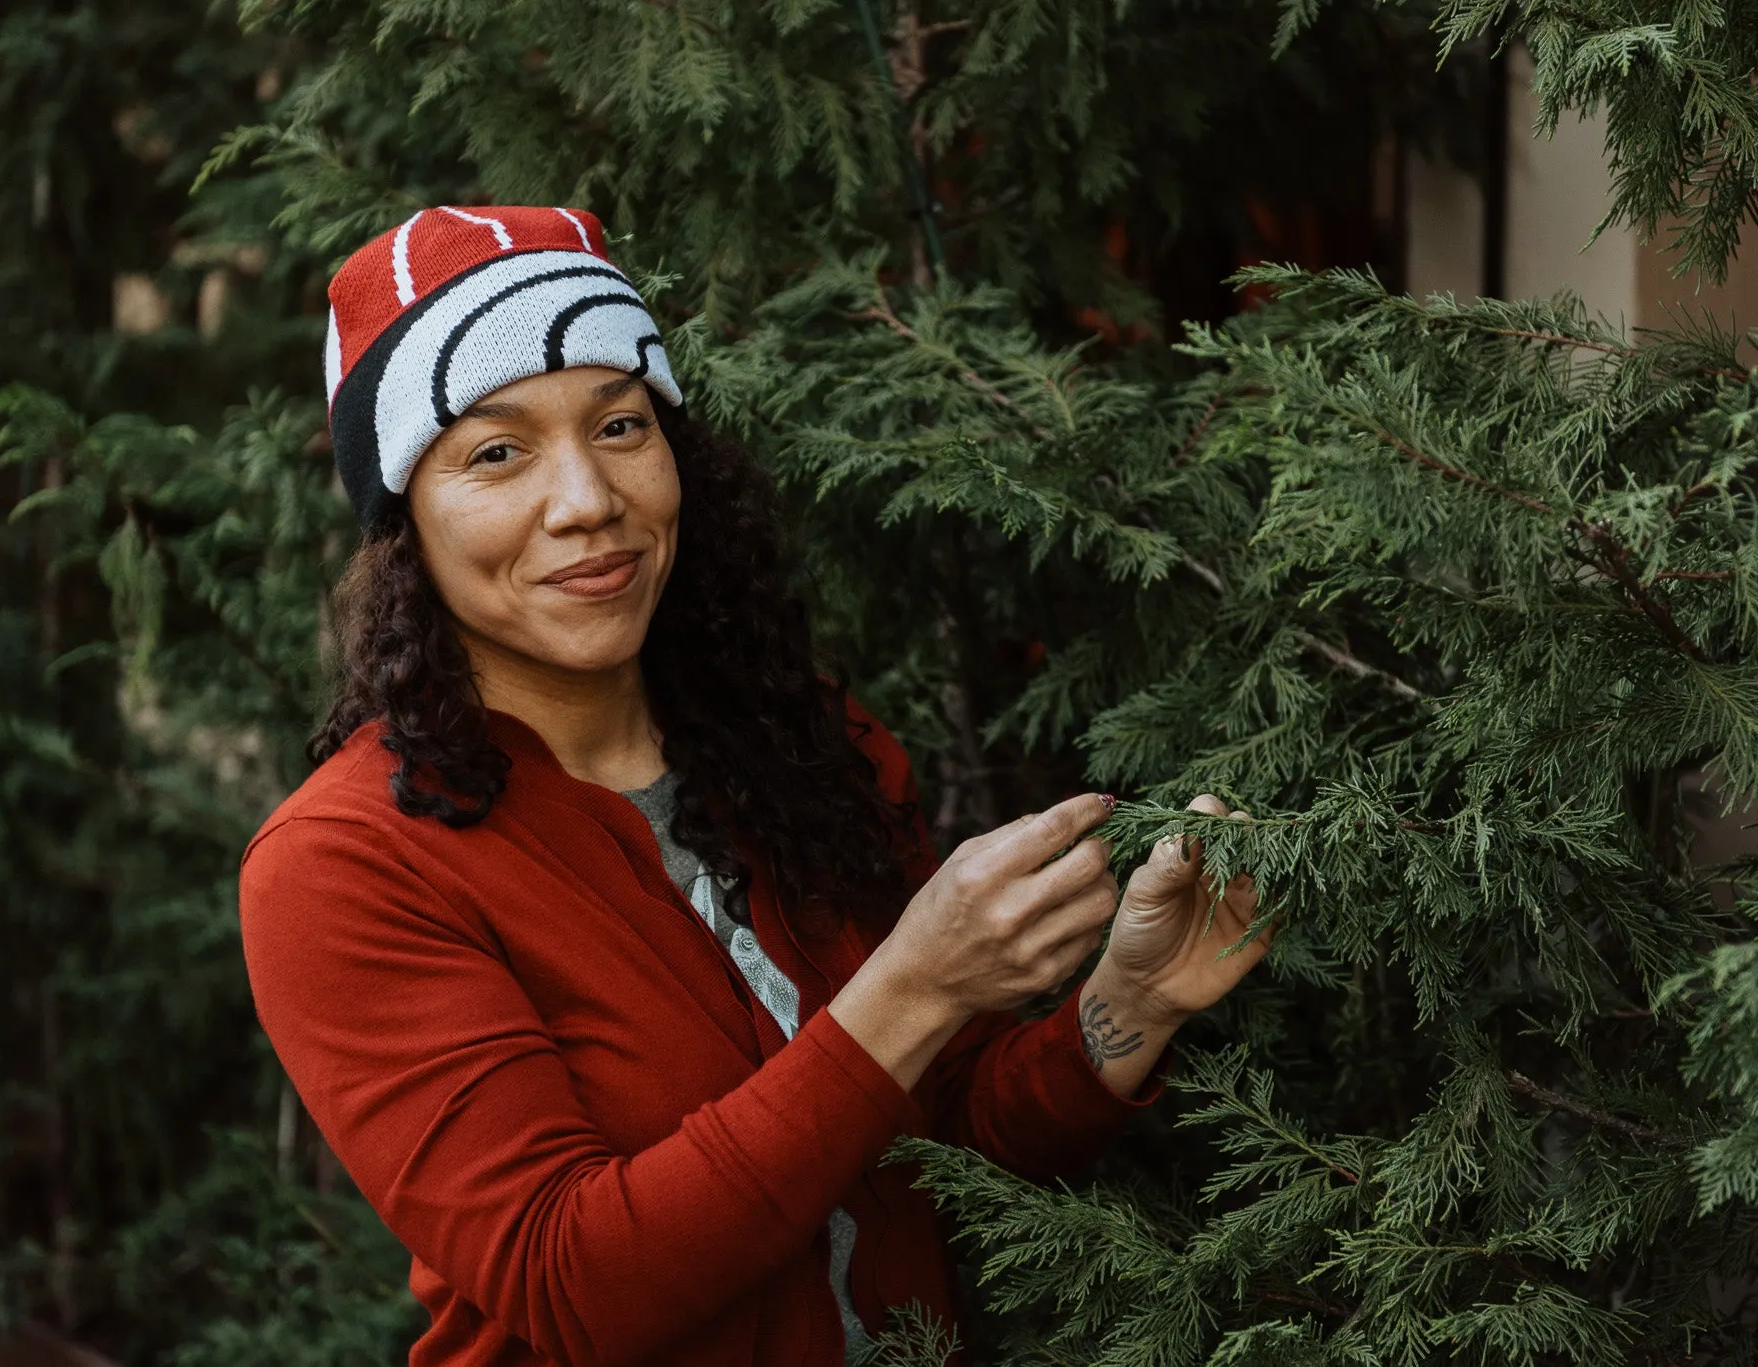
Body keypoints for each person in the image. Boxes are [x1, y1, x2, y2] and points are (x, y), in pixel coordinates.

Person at [238, 205, 1272, 1367]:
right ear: (402, 524)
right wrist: (911, 986)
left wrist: (1127, 1003)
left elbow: (933, 1143)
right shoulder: (342, 862)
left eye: (621, 423)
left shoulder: (795, 743)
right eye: (496, 450)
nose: (585, 498)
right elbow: (572, 1280)